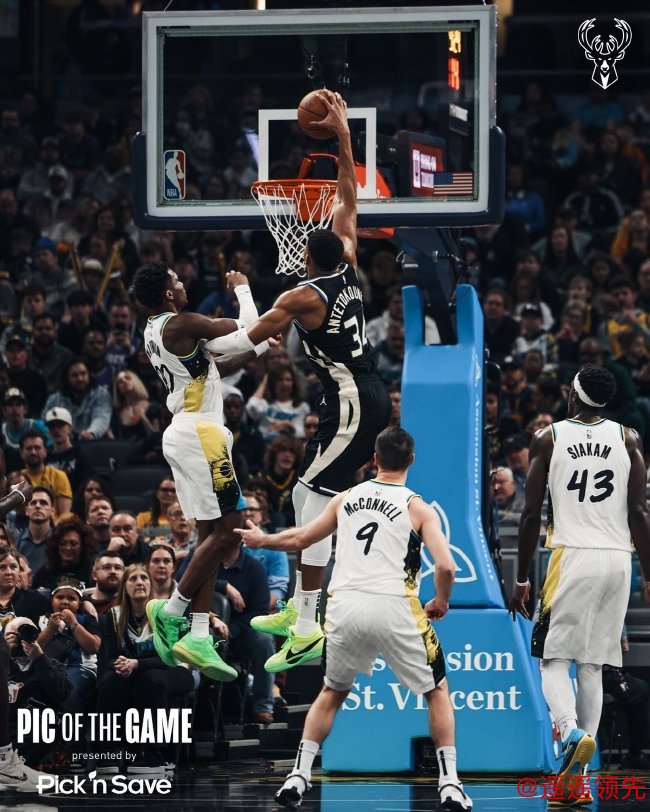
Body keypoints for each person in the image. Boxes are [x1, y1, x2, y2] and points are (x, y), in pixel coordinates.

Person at [201, 92, 392, 670]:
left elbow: (248, 339)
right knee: (309, 496)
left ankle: (308, 625)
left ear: (307, 255)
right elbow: (348, 196)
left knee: (311, 496)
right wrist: (344, 137)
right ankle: (304, 616)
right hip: (353, 397)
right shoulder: (349, 259)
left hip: (353, 399)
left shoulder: (301, 296)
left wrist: (236, 299)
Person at [237, 427, 470, 811]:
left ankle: (298, 775)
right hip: (395, 606)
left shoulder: (346, 498)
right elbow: (446, 566)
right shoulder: (418, 507)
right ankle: (449, 784)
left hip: (344, 606)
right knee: (436, 691)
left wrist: (263, 540)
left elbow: (301, 540)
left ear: (374, 460)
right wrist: (441, 600)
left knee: (331, 692)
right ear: (411, 461)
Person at [510, 364, 650, 804]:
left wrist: (520, 577)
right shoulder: (629, 438)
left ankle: (570, 732)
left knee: (552, 660)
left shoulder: (548, 437)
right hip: (618, 561)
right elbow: (639, 512)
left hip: (572, 555)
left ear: (572, 396)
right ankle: (577, 779)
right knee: (592, 666)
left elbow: (530, 514)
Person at [130, 252, 271, 682]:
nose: (184, 284)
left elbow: (216, 364)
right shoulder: (183, 322)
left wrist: (260, 344)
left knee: (211, 534)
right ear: (168, 292)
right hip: (201, 435)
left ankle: (197, 635)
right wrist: (243, 288)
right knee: (232, 528)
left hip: (186, 432)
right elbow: (247, 328)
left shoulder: (156, 329)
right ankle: (171, 610)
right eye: (178, 280)